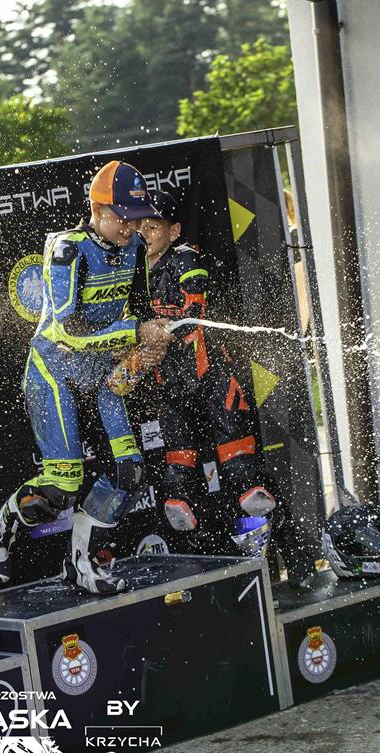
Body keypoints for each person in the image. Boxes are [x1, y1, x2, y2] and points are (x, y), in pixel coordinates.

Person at [0, 161, 172, 594]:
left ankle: (80, 564)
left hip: (100, 372)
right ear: (97, 210)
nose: (131, 226)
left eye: (137, 217)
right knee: (61, 488)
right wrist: (135, 333)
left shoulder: (135, 247)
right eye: (123, 216)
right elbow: (69, 332)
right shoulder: (68, 249)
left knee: (128, 474)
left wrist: (148, 348)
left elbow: (140, 311)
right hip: (54, 371)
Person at [135, 190, 278, 545]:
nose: (144, 234)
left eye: (153, 227)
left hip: (209, 370)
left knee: (232, 437)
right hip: (169, 380)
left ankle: (252, 492)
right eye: (139, 227)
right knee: (177, 450)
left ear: (174, 231)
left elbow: (192, 308)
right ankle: (181, 506)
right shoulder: (132, 272)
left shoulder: (186, 256)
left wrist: (154, 329)